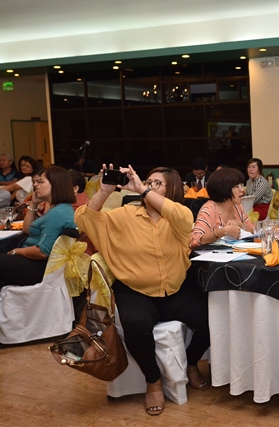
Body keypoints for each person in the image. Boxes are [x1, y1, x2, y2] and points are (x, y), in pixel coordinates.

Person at [75, 164, 210, 416]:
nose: (148, 186)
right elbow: (84, 219)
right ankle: (153, 380)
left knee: (210, 320)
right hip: (135, 291)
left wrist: (143, 190)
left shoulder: (178, 216)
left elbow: (182, 216)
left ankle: (191, 363)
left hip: (175, 290)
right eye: (148, 181)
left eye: (157, 183)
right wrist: (104, 191)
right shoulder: (126, 215)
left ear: (172, 190)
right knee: (136, 325)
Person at [0, 166, 76, 288]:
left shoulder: (57, 213)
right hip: (35, 261)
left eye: (41, 182)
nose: (36, 186)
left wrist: (16, 251)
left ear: (55, 185)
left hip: (39, 266)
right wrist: (34, 203)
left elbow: (42, 252)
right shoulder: (59, 208)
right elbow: (27, 230)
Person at [191, 168, 254, 249]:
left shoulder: (238, 207)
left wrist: (242, 225)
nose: (242, 190)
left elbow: (253, 232)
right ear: (224, 189)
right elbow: (194, 240)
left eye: (242, 185)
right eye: (237, 186)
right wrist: (223, 232)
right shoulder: (209, 209)